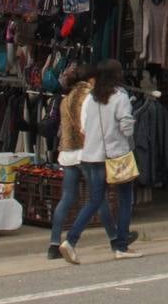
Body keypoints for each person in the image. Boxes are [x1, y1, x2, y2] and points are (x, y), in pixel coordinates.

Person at [60, 60, 140, 262]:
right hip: (115, 156)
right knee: (124, 201)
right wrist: (132, 118)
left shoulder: (91, 99)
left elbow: (84, 128)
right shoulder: (120, 97)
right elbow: (126, 127)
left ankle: (70, 241)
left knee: (94, 201)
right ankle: (121, 246)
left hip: (90, 155)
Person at [48, 63, 95, 260]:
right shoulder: (90, 96)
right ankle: (116, 237)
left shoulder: (65, 99)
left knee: (67, 198)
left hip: (67, 152)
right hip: (85, 152)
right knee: (96, 197)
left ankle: (53, 244)